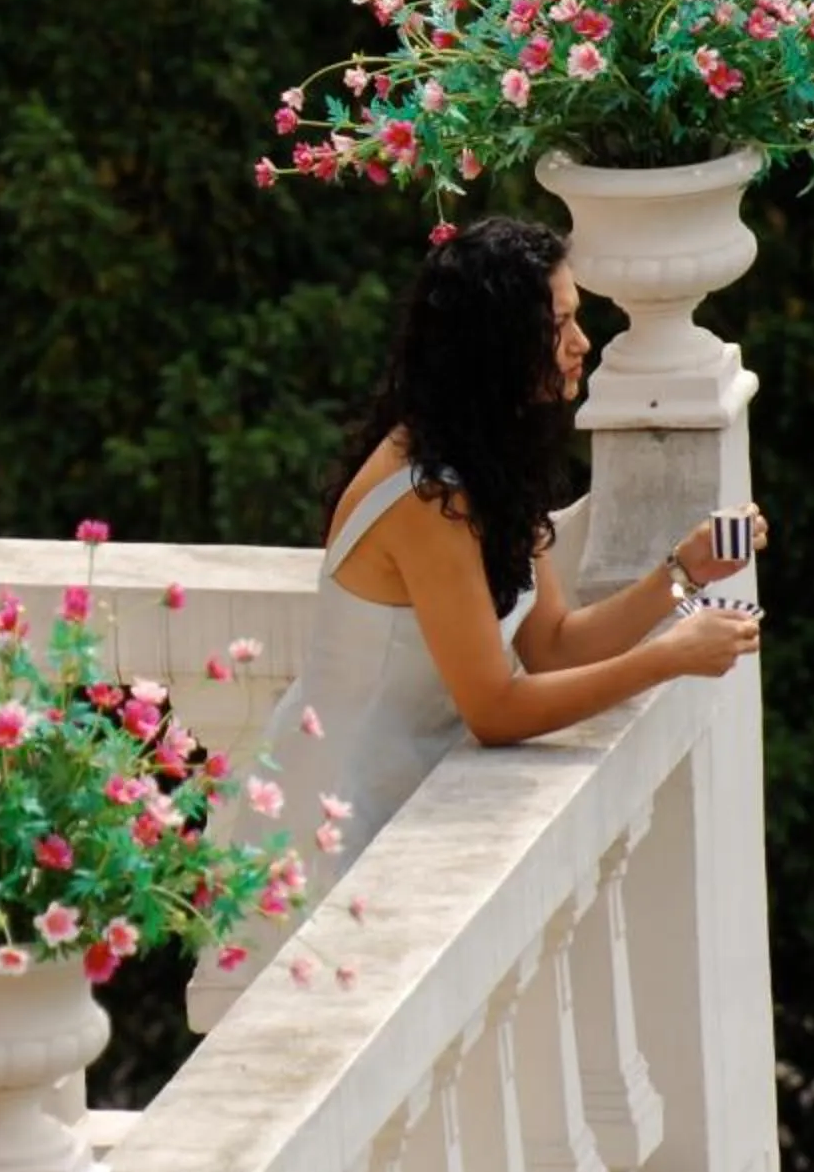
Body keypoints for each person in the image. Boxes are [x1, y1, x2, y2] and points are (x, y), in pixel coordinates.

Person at [271, 217, 765, 876]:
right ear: (498, 343)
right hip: (335, 820)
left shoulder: (486, 457)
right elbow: (495, 710)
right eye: (560, 324)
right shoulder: (429, 496)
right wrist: (668, 659)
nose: (581, 343)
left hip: (402, 809)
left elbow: (553, 644)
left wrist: (683, 572)